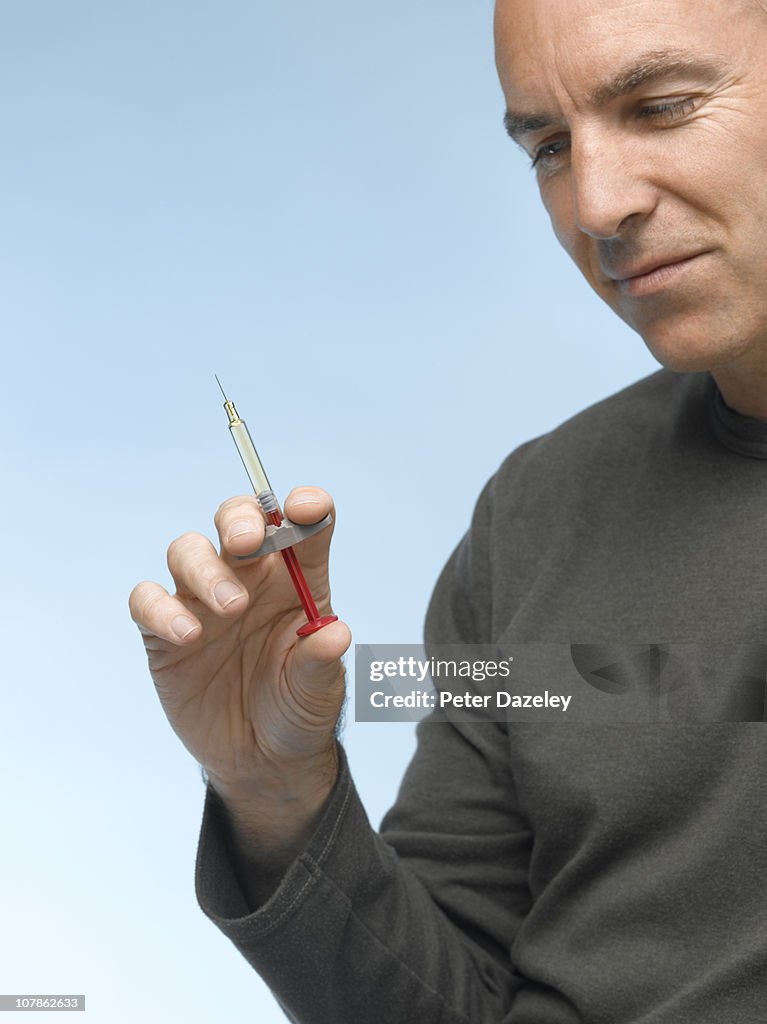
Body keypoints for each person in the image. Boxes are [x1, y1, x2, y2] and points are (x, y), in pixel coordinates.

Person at [129, 0, 767, 1020]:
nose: (595, 205)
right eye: (548, 147)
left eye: (660, 106)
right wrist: (272, 792)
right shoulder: (535, 511)